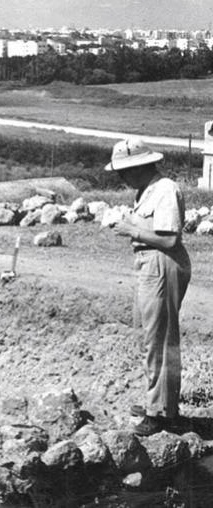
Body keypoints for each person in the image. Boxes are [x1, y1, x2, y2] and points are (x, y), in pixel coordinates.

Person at [105, 137, 191, 437]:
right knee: (149, 336)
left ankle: (163, 413)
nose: (121, 177)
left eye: (124, 171)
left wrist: (130, 228)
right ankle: (156, 403)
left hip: (162, 264)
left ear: (140, 166)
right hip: (148, 263)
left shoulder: (165, 189)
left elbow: (169, 240)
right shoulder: (146, 191)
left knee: (162, 339)